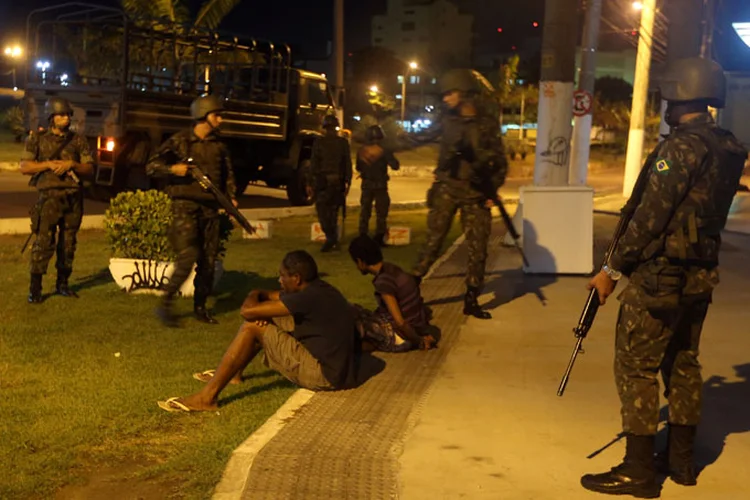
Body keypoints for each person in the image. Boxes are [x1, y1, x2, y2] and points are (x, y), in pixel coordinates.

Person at [581, 57, 747, 498]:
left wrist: (612, 271)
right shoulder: (728, 147)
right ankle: (682, 461)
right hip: (699, 279)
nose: (665, 105)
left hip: (660, 279)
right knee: (685, 363)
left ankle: (638, 472)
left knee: (636, 368)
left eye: (669, 97)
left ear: (682, 95)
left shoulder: (678, 150)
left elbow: (648, 218)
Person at [157, 250, 359, 412]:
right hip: (342, 371)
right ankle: (234, 374)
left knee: (252, 325)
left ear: (296, 278)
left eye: (282, 276)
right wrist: (262, 303)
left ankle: (207, 398)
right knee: (267, 317)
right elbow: (271, 297)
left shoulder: (305, 298)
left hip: (324, 375)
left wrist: (254, 292)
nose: (279, 281)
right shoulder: (319, 289)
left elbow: (247, 312)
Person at [410, 68, 508, 319]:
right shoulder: (446, 121)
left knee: (478, 248)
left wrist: (492, 188)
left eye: (449, 93)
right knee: (433, 243)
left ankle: (472, 298)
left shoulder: (486, 123)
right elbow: (420, 137)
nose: (445, 99)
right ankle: (408, 291)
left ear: (464, 93)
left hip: (476, 193)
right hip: (447, 188)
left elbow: (499, 160)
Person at [146, 95, 237, 327]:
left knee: (208, 261)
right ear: (203, 115)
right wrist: (172, 169)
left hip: (210, 209)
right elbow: (151, 167)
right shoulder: (180, 142)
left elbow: (228, 176)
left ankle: (200, 307)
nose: (221, 119)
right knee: (188, 256)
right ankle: (165, 304)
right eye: (217, 114)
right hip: (184, 207)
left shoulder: (220, 145)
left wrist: (231, 199)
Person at [19, 97, 95, 303]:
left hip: (73, 197)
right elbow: (24, 167)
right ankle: (35, 290)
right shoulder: (38, 139)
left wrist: (72, 164)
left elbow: (89, 168)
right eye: (61, 115)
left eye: (67, 115)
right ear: (51, 117)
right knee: (44, 243)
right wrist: (49, 165)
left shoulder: (78, 140)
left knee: (68, 244)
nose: (65, 118)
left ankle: (63, 284)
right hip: (50, 198)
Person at [348, 234, 437, 352]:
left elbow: (400, 322)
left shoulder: (383, 282)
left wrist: (419, 341)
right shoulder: (392, 269)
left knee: (351, 316)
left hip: (403, 335)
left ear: (360, 262)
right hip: (417, 327)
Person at [310, 114, 352, 252]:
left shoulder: (319, 142)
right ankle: (332, 239)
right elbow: (347, 165)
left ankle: (331, 238)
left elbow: (314, 164)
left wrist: (311, 182)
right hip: (335, 182)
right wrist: (347, 182)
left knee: (323, 212)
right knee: (333, 213)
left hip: (324, 183)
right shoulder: (342, 142)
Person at [356, 125, 400, 246]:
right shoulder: (384, 150)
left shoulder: (362, 151)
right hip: (381, 185)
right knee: (381, 213)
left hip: (366, 185)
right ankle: (379, 237)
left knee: (365, 212)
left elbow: (358, 167)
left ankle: (362, 236)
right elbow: (395, 165)